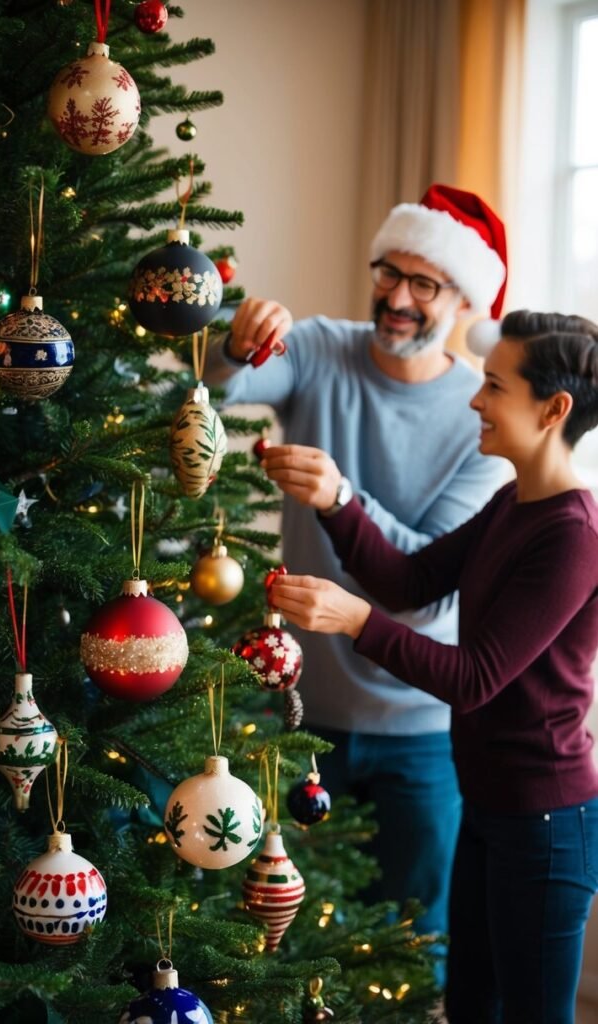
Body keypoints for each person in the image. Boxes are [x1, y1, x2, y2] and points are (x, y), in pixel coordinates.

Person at [267, 310, 598, 1023]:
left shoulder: (573, 535)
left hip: (544, 822)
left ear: (554, 409)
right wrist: (337, 498)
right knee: (471, 1005)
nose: (476, 400)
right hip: (489, 803)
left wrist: (354, 620)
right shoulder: (513, 501)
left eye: (495, 386)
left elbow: (474, 678)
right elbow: (411, 584)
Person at [204, 184, 508, 960]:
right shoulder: (317, 348)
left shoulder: (485, 412)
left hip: (422, 727)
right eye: (387, 273)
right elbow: (216, 387)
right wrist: (239, 342)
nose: (397, 298)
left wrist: (342, 493)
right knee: (281, 939)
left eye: (424, 283)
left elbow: (419, 578)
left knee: (414, 942)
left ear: (466, 302)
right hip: (300, 711)